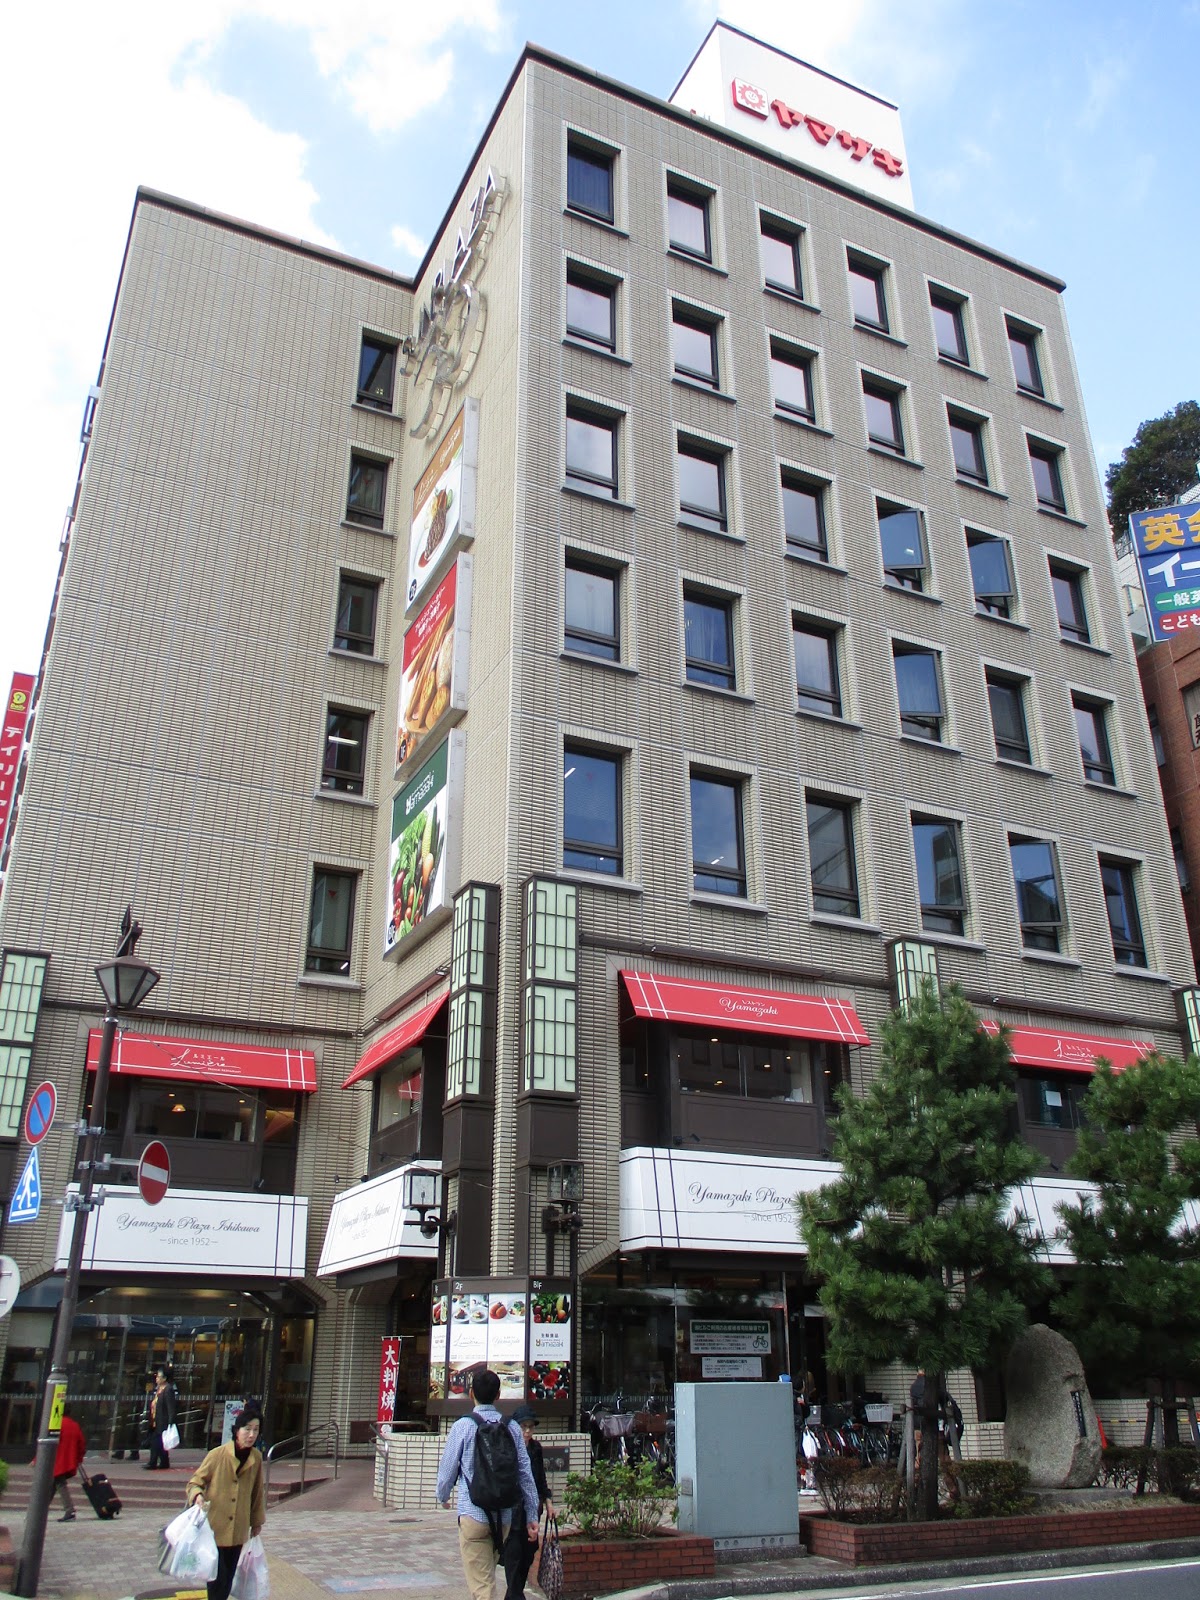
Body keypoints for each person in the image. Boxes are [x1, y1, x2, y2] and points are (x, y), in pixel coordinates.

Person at [436, 1371, 539, 1600]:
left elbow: (447, 1468)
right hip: (504, 1517)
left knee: (483, 1587)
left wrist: (442, 1495)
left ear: (471, 1393)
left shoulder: (463, 1426)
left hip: (473, 1514)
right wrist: (532, 1514)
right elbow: (525, 1472)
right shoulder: (512, 1427)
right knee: (486, 1577)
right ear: (498, 1395)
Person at [186, 1400, 266, 1600]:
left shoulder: (256, 1458)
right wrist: (197, 1495)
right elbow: (195, 1482)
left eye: (256, 1430)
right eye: (247, 1429)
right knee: (216, 1579)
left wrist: (256, 1521)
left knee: (228, 1577)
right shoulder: (217, 1455)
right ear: (237, 1430)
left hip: (238, 1528)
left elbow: (257, 1492)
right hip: (215, 1528)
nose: (251, 1434)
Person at [501, 1404, 554, 1600]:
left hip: (531, 1511)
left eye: (531, 1427)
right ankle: (516, 1596)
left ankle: (513, 1595)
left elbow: (540, 1478)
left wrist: (548, 1500)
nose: (527, 1431)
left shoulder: (535, 1448)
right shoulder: (507, 1448)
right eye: (523, 1426)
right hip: (512, 1512)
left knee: (528, 1554)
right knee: (513, 1556)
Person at [53, 1407, 86, 1521]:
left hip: (57, 1460)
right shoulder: (74, 1425)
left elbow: (50, 1444)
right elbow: (81, 1444)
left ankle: (69, 1510)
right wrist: (78, 1458)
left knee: (59, 1483)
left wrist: (37, 1459)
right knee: (55, 1483)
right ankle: (40, 1510)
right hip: (69, 1461)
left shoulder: (56, 1424)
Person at [145, 1365, 178, 1470]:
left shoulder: (168, 1390)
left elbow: (170, 1407)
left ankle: (153, 1462)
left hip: (162, 1421)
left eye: (159, 1377)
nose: (157, 1378)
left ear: (164, 1378)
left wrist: (170, 1421)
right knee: (159, 1443)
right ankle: (164, 1462)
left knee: (156, 1442)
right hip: (155, 1420)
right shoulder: (159, 1389)